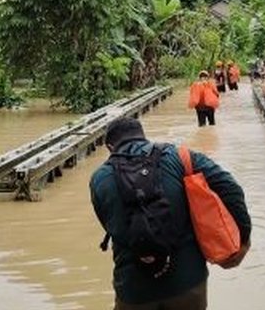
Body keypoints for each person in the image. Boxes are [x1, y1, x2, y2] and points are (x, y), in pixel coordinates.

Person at [91, 118, 251, 310]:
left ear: (110, 147)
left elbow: (110, 225)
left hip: (134, 290)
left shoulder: (99, 179)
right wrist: (243, 239)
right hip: (188, 283)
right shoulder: (181, 157)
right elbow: (230, 188)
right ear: (143, 137)